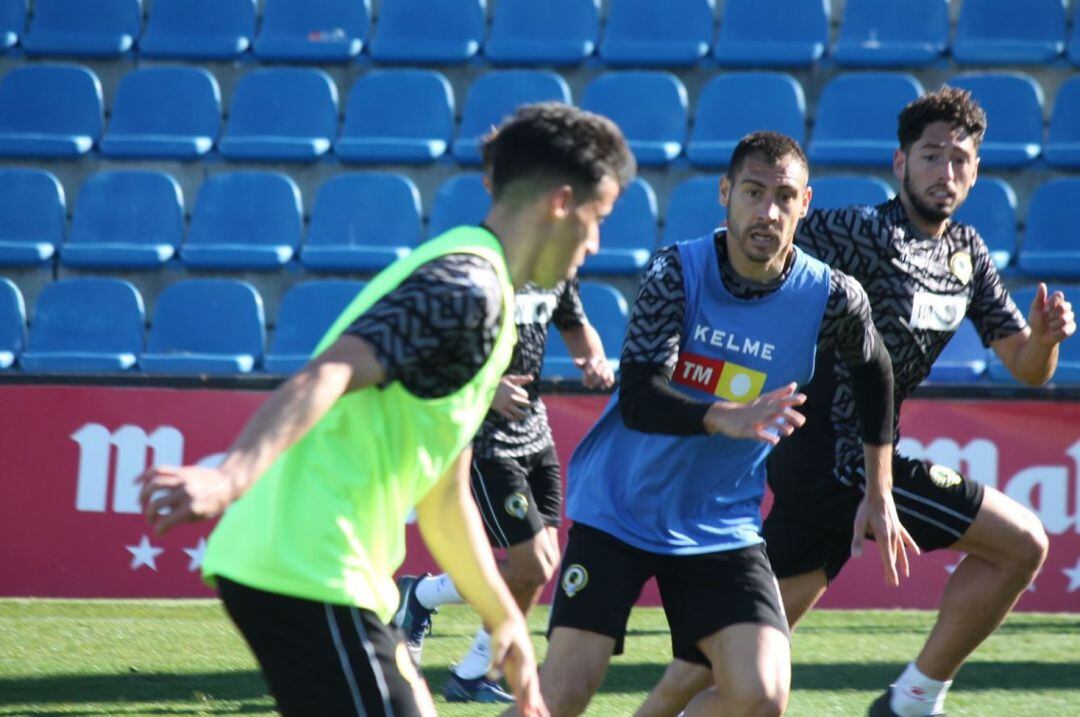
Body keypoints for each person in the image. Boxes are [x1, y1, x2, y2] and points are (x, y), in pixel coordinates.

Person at [137, 101, 636, 717]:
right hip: (308, 567)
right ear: (561, 202)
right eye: (598, 217)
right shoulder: (467, 287)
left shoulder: (491, 297)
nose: (595, 242)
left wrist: (504, 618)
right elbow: (332, 371)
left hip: (324, 575)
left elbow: (446, 492)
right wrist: (228, 476)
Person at [639, 87, 1076, 717]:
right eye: (931, 156)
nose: (944, 172)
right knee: (1023, 543)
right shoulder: (858, 232)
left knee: (724, 656)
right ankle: (913, 701)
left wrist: (1047, 339)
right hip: (842, 460)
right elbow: (753, 245)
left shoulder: (969, 256)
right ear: (900, 164)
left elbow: (1028, 368)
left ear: (977, 171)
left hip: (837, 468)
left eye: (960, 160)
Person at [505, 131, 905, 717]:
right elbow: (640, 398)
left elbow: (876, 371)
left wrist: (881, 489)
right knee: (562, 696)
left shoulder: (832, 297)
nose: (767, 211)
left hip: (719, 524)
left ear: (806, 203)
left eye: (784, 196)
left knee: (761, 694)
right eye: (752, 191)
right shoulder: (678, 271)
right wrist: (726, 418)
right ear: (725, 193)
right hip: (621, 507)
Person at [393, 272, 615, 704]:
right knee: (531, 565)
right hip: (486, 441)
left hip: (536, 432)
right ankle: (431, 610)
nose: (585, 245)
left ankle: (468, 664)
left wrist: (593, 359)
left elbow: (574, 325)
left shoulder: (558, 272)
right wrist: (487, 388)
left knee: (539, 565)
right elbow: (429, 358)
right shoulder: (482, 272)